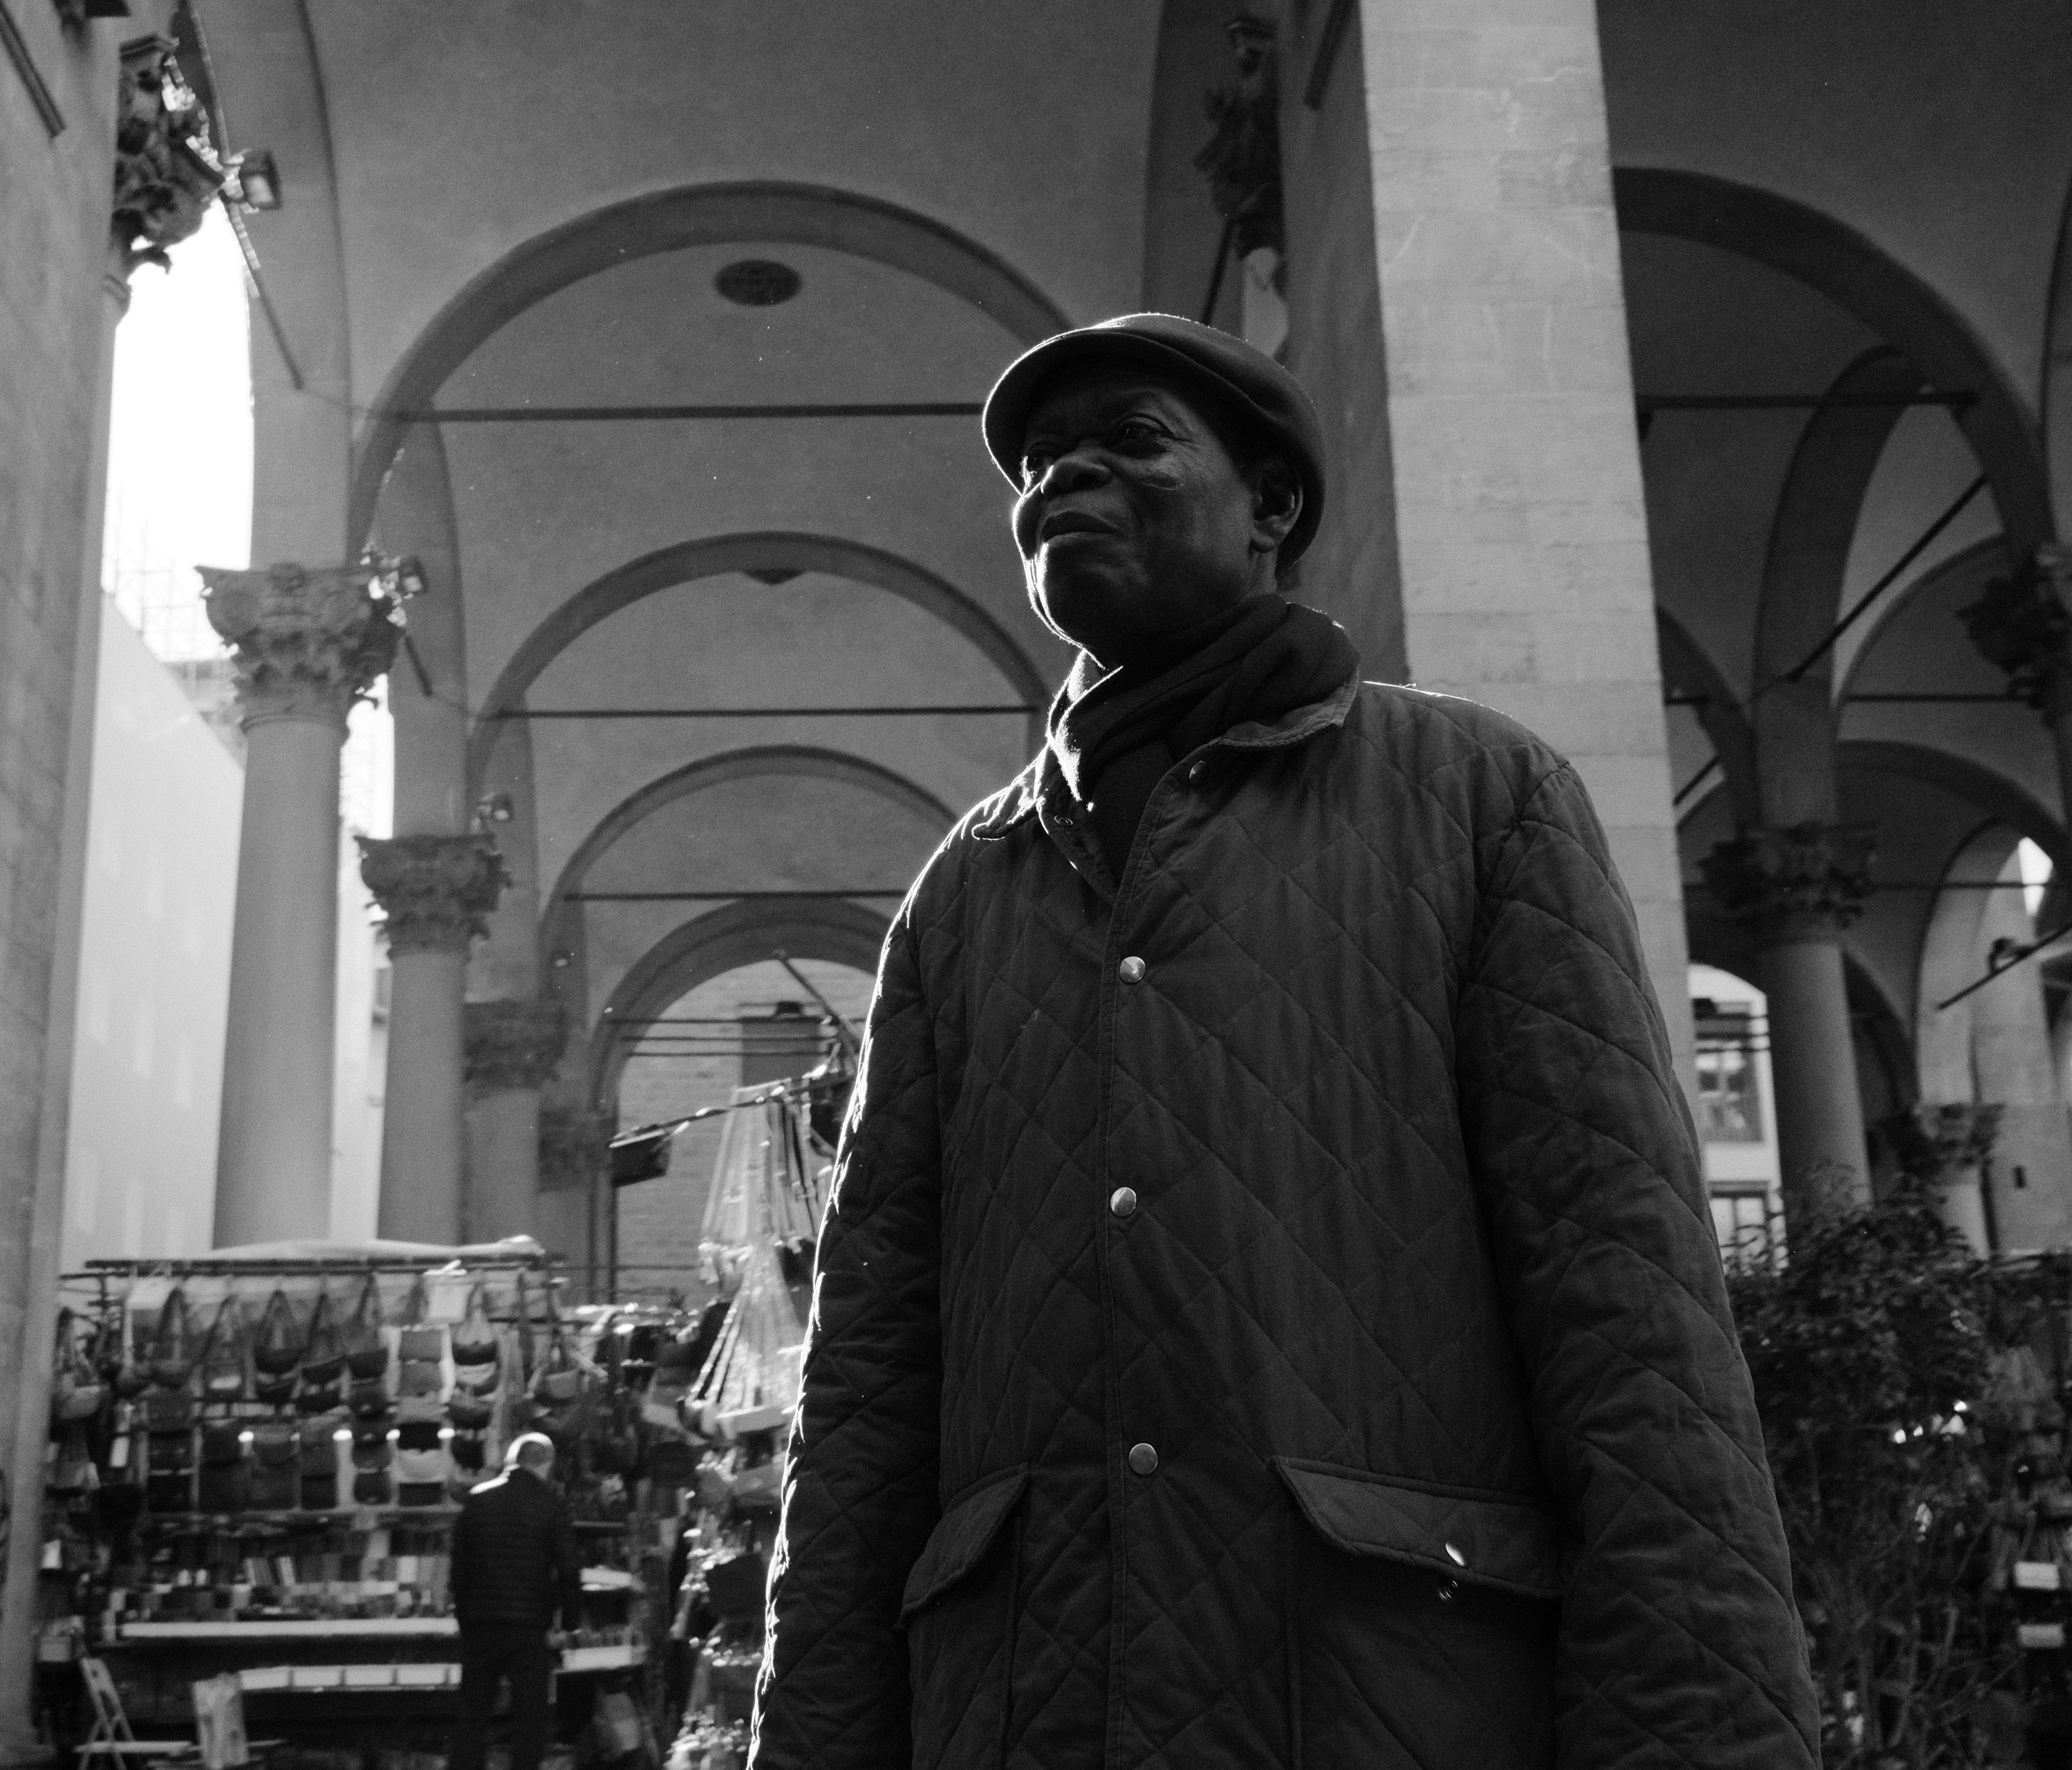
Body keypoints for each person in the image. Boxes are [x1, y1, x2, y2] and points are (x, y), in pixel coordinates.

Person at [752, 314, 1820, 1769]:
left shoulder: (1473, 797)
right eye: (1040, 463)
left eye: (1130, 440)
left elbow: (1628, 1316)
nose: (1063, 478)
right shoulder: (964, 895)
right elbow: (867, 1390)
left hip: (1384, 1703)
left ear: (1271, 503)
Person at [449, 1432, 581, 1770]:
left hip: (481, 1625)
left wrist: (466, 1620)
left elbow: (459, 1571)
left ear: (513, 1461)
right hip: (529, 1629)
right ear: (547, 1464)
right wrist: (568, 1626)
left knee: (472, 1717)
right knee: (529, 1720)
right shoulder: (551, 1505)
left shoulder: (477, 1500)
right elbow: (569, 1570)